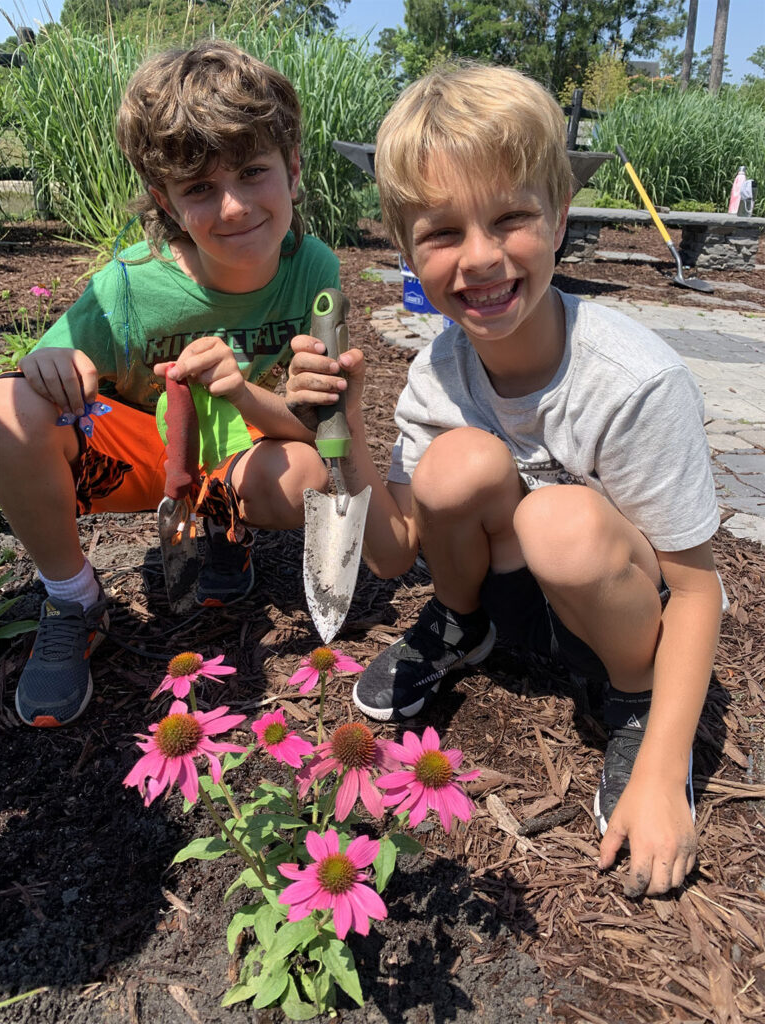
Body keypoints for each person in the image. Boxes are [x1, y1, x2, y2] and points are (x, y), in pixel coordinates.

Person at [285, 63, 723, 897]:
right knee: (456, 465)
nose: (480, 257)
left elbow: (697, 592)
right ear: (406, 247)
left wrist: (666, 769)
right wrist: (341, 432)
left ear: (560, 217)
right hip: (515, 600)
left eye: (512, 216)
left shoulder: (632, 380)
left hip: (619, 616)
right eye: (442, 231)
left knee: (561, 521)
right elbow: (390, 556)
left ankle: (631, 705)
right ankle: (461, 630)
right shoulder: (441, 369)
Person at [0, 40, 339, 728]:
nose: (235, 206)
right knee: (5, 404)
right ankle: (71, 597)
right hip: (136, 456)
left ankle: (221, 525)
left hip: (234, 450)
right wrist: (55, 368)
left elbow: (318, 429)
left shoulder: (315, 272)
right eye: (200, 189)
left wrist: (242, 390)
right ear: (166, 201)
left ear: (294, 170)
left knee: (309, 475)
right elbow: (34, 383)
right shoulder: (127, 287)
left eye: (252, 172)